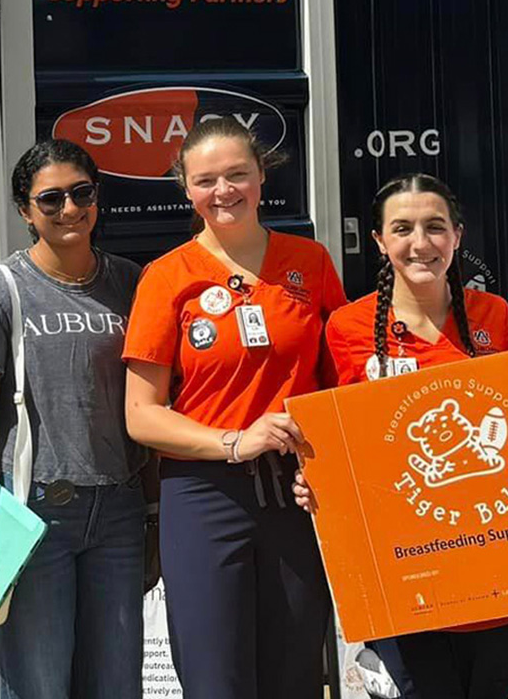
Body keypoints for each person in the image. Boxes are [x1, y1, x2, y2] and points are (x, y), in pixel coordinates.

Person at [122, 117, 346, 698]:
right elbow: (142, 414)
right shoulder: (166, 277)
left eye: (237, 175)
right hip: (203, 495)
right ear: (186, 188)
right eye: (206, 180)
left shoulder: (311, 262)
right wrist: (235, 441)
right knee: (215, 680)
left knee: (295, 676)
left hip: (298, 494)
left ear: (262, 176)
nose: (223, 191)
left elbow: (342, 384)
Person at [293, 173, 508, 699]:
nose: (420, 243)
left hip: (490, 561)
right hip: (402, 570)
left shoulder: (495, 318)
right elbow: (327, 434)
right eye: (402, 229)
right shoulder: (347, 329)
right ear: (379, 240)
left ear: (458, 236)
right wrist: (315, 478)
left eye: (435, 227)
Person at [0, 139, 149, 698]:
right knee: (39, 686)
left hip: (120, 514)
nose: (69, 209)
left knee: (116, 686)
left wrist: (152, 515)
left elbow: (151, 407)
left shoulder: (130, 283)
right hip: (35, 516)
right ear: (24, 211)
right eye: (51, 198)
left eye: (81, 193)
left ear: (97, 197)